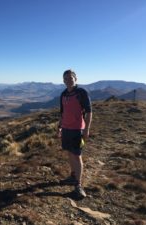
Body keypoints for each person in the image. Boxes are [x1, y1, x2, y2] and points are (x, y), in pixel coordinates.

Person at [57, 69, 92, 198]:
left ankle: (78, 185)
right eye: (66, 78)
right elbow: (62, 112)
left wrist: (87, 129)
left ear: (75, 78)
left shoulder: (81, 92)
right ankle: (73, 176)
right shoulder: (63, 94)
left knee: (77, 155)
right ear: (63, 80)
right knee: (70, 153)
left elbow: (89, 112)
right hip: (66, 129)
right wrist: (59, 127)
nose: (68, 80)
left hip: (77, 129)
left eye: (70, 78)